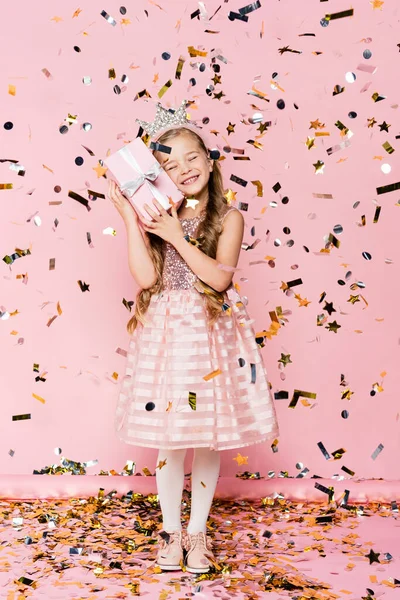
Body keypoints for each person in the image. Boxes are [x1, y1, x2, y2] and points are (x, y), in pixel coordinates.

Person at [107, 110, 280, 574]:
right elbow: (146, 278)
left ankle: (197, 534)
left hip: (211, 334)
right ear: (160, 176)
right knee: (171, 439)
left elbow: (218, 281)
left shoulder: (229, 218)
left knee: (207, 438)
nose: (185, 169)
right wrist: (131, 217)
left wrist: (176, 238)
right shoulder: (156, 217)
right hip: (168, 336)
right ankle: (170, 534)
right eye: (172, 164)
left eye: (192, 157)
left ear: (209, 159)